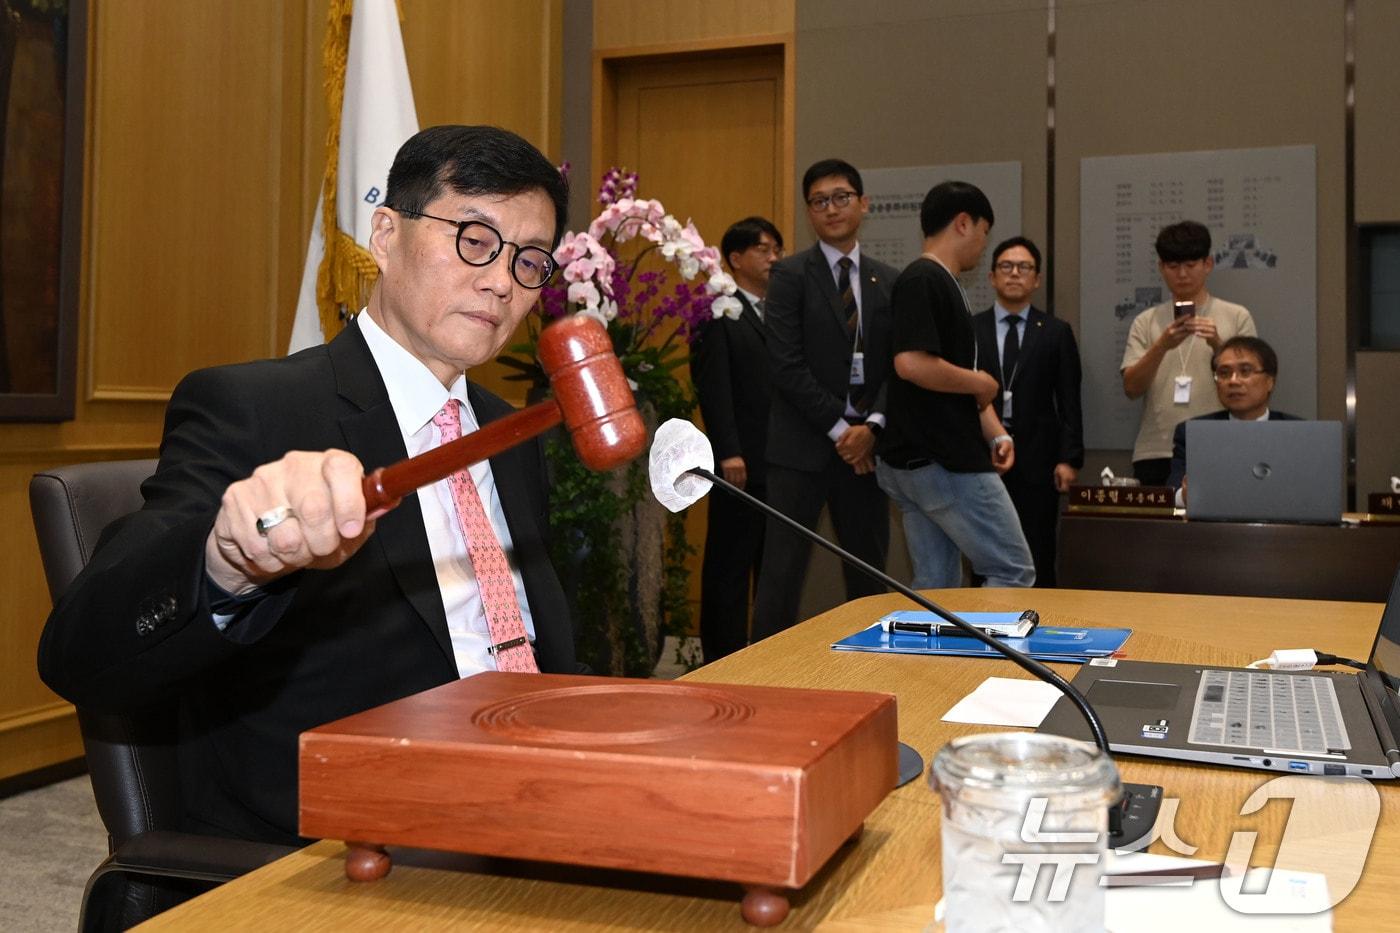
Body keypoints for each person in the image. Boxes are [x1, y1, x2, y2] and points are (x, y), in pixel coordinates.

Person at [37, 125, 577, 845]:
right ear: (385, 233)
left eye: (529, 259)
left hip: (536, 805)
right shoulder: (257, 410)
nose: (501, 281)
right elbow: (81, 652)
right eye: (474, 239)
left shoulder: (506, 434)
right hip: (359, 843)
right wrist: (226, 562)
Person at [750, 160, 898, 641]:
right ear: (809, 211)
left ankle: (877, 679)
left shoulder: (887, 279)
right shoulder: (789, 275)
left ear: (863, 204)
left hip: (867, 454)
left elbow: (895, 364)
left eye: (841, 197)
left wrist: (872, 427)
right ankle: (765, 681)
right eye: (819, 201)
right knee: (781, 577)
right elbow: (786, 365)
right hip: (802, 451)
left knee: (870, 576)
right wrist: (843, 431)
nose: (831, 208)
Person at [875, 182, 1035, 589]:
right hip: (943, 457)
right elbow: (911, 363)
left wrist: (996, 432)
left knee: (937, 586)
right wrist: (981, 382)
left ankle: (943, 654)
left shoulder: (937, 282)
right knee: (1011, 571)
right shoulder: (923, 279)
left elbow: (949, 377)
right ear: (964, 223)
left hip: (919, 457)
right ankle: (993, 654)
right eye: (985, 232)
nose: (984, 245)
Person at [690, 216, 783, 662]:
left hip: (778, 464)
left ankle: (766, 656)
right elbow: (714, 387)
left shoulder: (780, 310)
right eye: (763, 249)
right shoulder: (718, 311)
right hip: (738, 463)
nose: (773, 258)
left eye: (776, 249)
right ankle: (722, 659)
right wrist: (727, 450)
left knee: (772, 569)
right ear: (736, 258)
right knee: (729, 567)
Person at [972, 236, 1083, 587]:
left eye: (1024, 268)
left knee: (1038, 549)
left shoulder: (1055, 332)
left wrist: (1070, 459)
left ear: (1036, 279)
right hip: (981, 456)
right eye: (1006, 267)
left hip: (1039, 461)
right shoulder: (972, 329)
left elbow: (1069, 401)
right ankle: (981, 627)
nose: (1014, 274)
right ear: (991, 277)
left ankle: (1040, 626)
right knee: (982, 552)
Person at [1121, 220, 1256, 486]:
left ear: (1208, 264)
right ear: (1161, 268)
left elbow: (1253, 387)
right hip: (1156, 448)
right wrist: (1162, 346)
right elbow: (1131, 388)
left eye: (1190, 265)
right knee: (1159, 528)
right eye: (1173, 266)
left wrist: (1219, 345)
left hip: (1221, 443)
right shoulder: (1146, 321)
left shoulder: (1237, 316)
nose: (1182, 274)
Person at [1166, 335, 1299, 500]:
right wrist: (1185, 495)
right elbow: (1173, 494)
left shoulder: (1298, 433)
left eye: (1245, 371)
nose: (1233, 381)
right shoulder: (1193, 432)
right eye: (1224, 373)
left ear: (1270, 381)